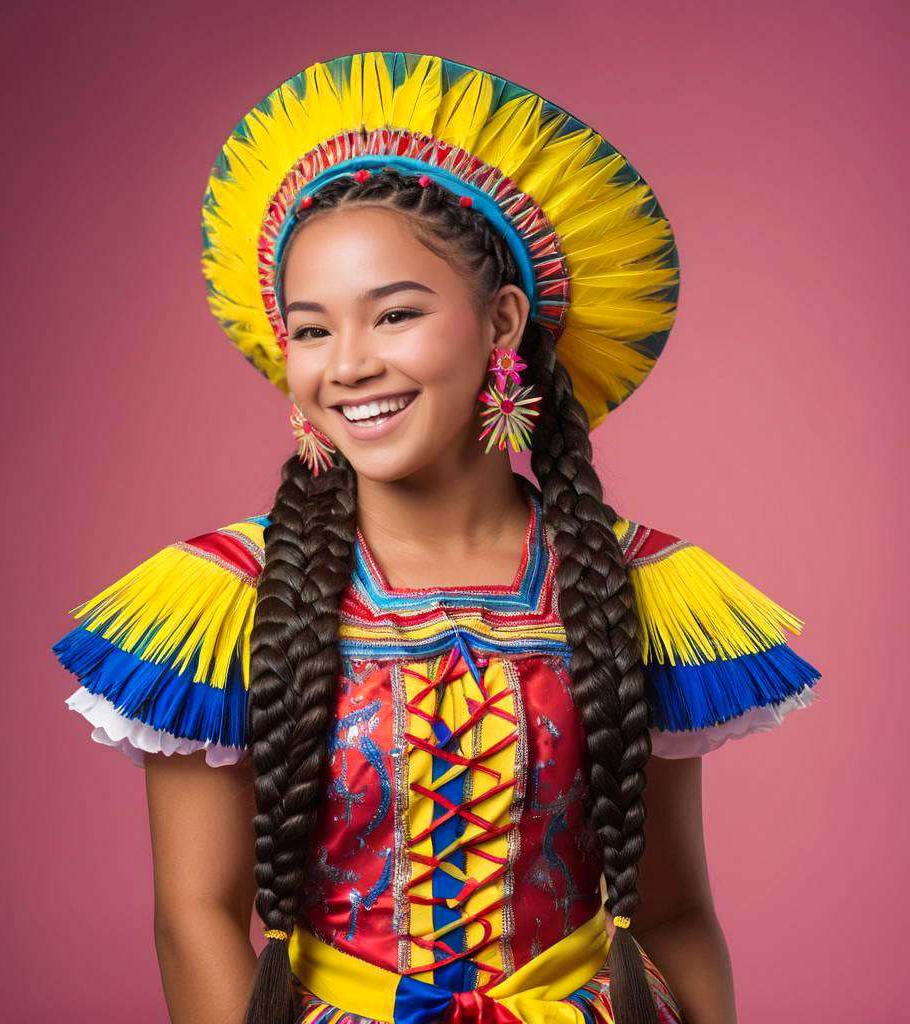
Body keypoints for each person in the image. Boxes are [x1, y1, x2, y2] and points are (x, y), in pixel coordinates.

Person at [52, 51, 822, 1024]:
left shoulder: (636, 585)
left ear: (501, 321)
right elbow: (195, 915)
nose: (350, 365)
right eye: (312, 329)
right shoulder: (223, 595)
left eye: (397, 314)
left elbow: (669, 912)